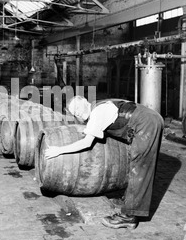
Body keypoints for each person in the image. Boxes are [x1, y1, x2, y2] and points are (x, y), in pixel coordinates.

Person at [45, 96, 164, 229]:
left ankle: (128, 216)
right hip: (148, 119)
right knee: (136, 162)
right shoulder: (99, 106)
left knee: (139, 166)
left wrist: (59, 150)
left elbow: (86, 143)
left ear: (84, 101)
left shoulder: (97, 112)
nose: (77, 112)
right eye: (74, 112)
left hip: (146, 123)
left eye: (77, 107)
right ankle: (129, 201)